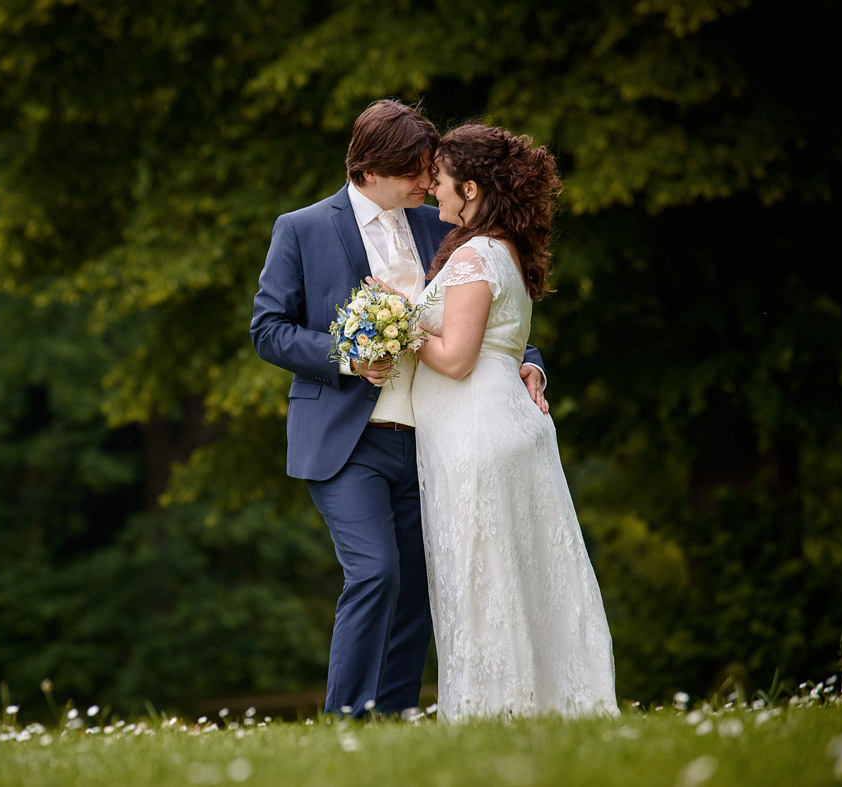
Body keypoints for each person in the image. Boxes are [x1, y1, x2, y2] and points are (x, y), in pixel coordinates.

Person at [250, 100, 547, 716]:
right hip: (346, 438)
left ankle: (394, 718)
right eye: (413, 171)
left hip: (433, 438)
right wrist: (346, 357)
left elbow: (488, 305)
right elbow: (268, 329)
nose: (425, 180)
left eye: (428, 171)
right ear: (367, 170)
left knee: (417, 586)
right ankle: (347, 720)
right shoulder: (301, 228)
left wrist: (529, 360)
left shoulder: (442, 226)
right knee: (376, 572)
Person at [409, 123, 618, 718]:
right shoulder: (501, 248)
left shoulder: (476, 254)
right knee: (515, 573)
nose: (432, 190)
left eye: (441, 181)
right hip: (495, 424)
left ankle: (495, 708)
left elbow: (454, 358)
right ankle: (539, 704)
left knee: (484, 575)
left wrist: (401, 325)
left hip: (479, 431)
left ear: (470, 188)